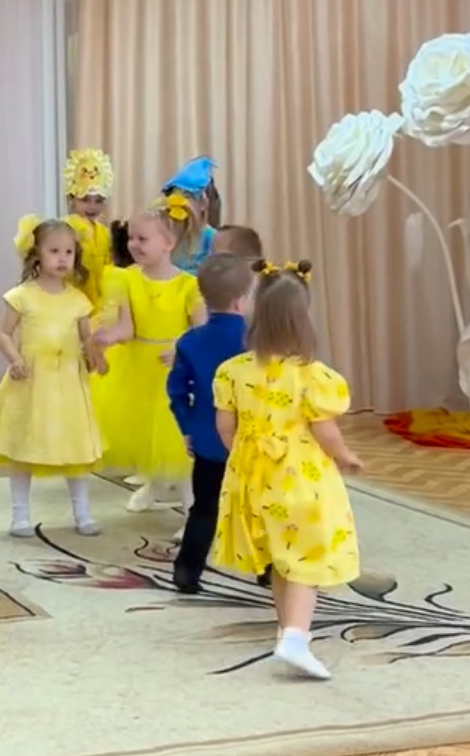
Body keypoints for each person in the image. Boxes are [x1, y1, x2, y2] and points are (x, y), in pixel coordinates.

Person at [213, 259, 362, 680]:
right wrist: (344, 455)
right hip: (300, 480)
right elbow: (325, 431)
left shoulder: (232, 372)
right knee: (306, 558)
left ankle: (286, 629)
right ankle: (295, 638)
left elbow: (225, 428)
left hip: (252, 479)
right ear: (303, 320)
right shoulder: (312, 377)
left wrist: (243, 458)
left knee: (282, 558)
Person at [0, 217, 106, 537]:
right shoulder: (22, 295)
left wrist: (94, 354)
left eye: (68, 252)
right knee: (24, 444)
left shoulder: (78, 300)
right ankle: (19, 515)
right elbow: (3, 334)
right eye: (54, 251)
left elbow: (86, 337)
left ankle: (83, 512)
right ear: (37, 254)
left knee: (76, 445)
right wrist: (15, 359)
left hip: (68, 382)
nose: (62, 258)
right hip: (32, 382)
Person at [93, 194, 206, 513]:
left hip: (174, 371)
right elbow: (126, 327)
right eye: (131, 238)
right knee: (147, 437)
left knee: (174, 440)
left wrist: (180, 349)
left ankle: (192, 506)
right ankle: (154, 485)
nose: (133, 244)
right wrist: (108, 336)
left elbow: (200, 330)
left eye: (142, 238)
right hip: (137, 367)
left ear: (168, 243)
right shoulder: (125, 278)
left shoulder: (189, 286)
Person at [167, 254, 253, 591]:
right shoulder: (257, 340)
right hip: (253, 441)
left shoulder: (189, 341)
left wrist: (188, 427)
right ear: (241, 300)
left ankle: (187, 572)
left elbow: (176, 391)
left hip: (207, 441)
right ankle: (268, 569)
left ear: (204, 297)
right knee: (258, 506)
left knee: (204, 508)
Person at [61, 148, 114, 311]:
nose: (92, 206)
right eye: (85, 200)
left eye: (98, 201)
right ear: (71, 199)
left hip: (98, 304)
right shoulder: (64, 229)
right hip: (71, 302)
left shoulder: (104, 233)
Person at [163, 156, 220, 274]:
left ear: (203, 203)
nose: (178, 200)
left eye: (187, 196)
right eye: (174, 195)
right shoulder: (164, 235)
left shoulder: (212, 238)